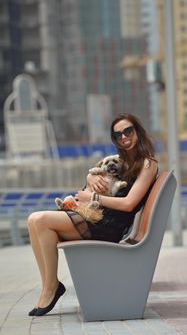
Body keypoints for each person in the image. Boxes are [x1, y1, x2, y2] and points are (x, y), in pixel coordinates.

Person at [27, 113, 158, 317]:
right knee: (34, 222)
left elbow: (128, 203)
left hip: (109, 225)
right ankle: (49, 287)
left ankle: (52, 288)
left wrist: (93, 197)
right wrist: (91, 175)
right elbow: (101, 175)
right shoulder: (123, 161)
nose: (123, 137)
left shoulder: (147, 164)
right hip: (97, 218)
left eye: (128, 131)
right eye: (117, 135)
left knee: (40, 220)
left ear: (138, 132)